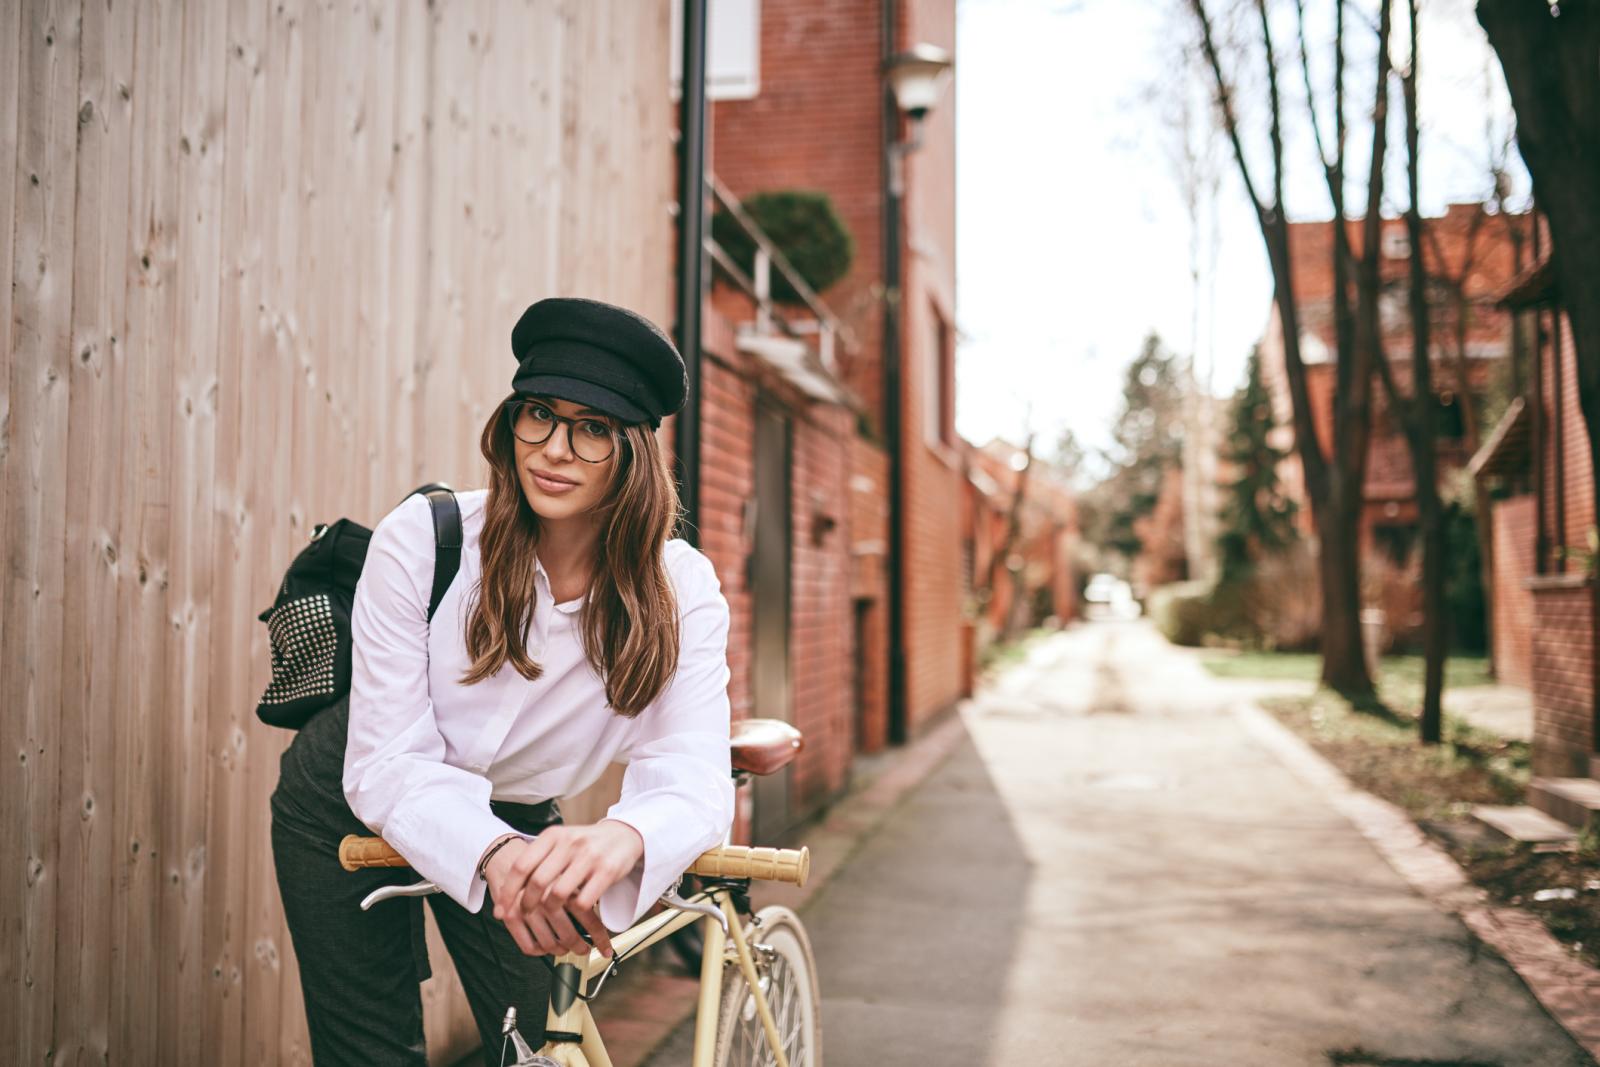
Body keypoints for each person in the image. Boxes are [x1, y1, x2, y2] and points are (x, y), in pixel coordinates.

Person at [270, 297, 735, 1065]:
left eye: (592, 428)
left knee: (540, 1044)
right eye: (539, 415)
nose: (555, 449)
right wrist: (487, 853)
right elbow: (387, 760)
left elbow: (690, 770)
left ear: (634, 451)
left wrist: (627, 833)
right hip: (344, 805)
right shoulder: (425, 540)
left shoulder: (680, 588)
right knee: (371, 1052)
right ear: (510, 421)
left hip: (516, 811)